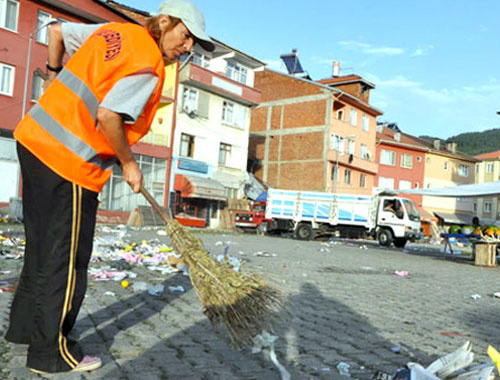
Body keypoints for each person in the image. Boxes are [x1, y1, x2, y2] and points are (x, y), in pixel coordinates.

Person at [4, 0, 214, 374]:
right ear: (165, 22)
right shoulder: (147, 64)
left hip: (33, 139)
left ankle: (24, 331)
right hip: (68, 163)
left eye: (192, 45)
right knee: (66, 262)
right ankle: (51, 354)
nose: (186, 49)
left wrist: (53, 73)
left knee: (40, 248)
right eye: (185, 37)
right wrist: (130, 163)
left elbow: (55, 32)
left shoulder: (115, 33)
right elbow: (108, 115)